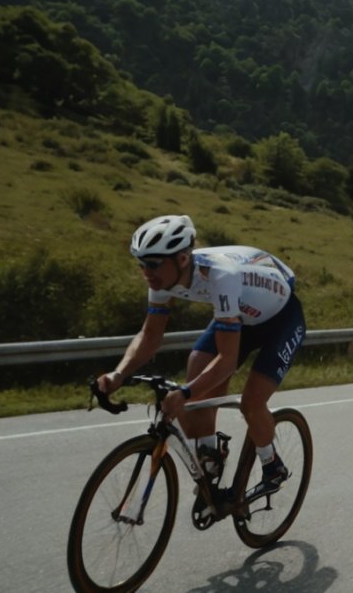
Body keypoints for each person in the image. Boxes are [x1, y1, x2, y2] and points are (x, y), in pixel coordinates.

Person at [96, 215, 306, 509]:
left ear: (182, 258)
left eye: (153, 264)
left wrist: (185, 393)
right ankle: (211, 460)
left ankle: (272, 464)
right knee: (196, 365)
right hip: (239, 316)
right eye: (141, 264)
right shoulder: (162, 277)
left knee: (251, 402)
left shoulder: (221, 276)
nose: (147, 272)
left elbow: (227, 362)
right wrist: (118, 375)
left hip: (280, 321)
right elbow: (151, 335)